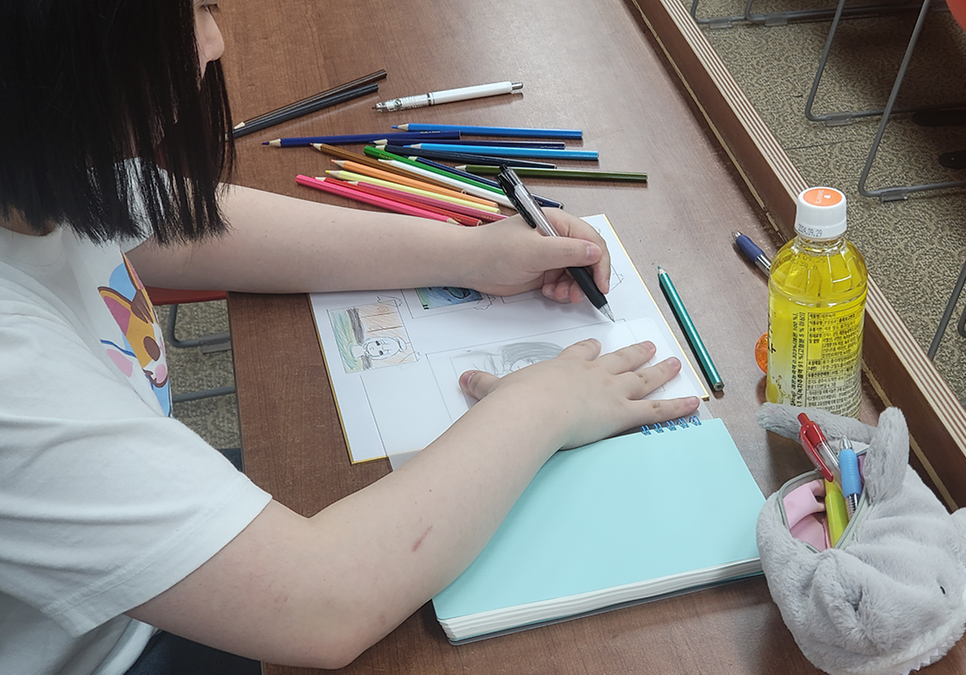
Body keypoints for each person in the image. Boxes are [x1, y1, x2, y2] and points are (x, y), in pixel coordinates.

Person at [0, 1, 700, 673]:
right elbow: (323, 603)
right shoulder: (16, 372)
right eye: (191, 12)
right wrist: (544, 404)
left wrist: (470, 254)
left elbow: (179, 226)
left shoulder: (39, 161)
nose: (213, 43)